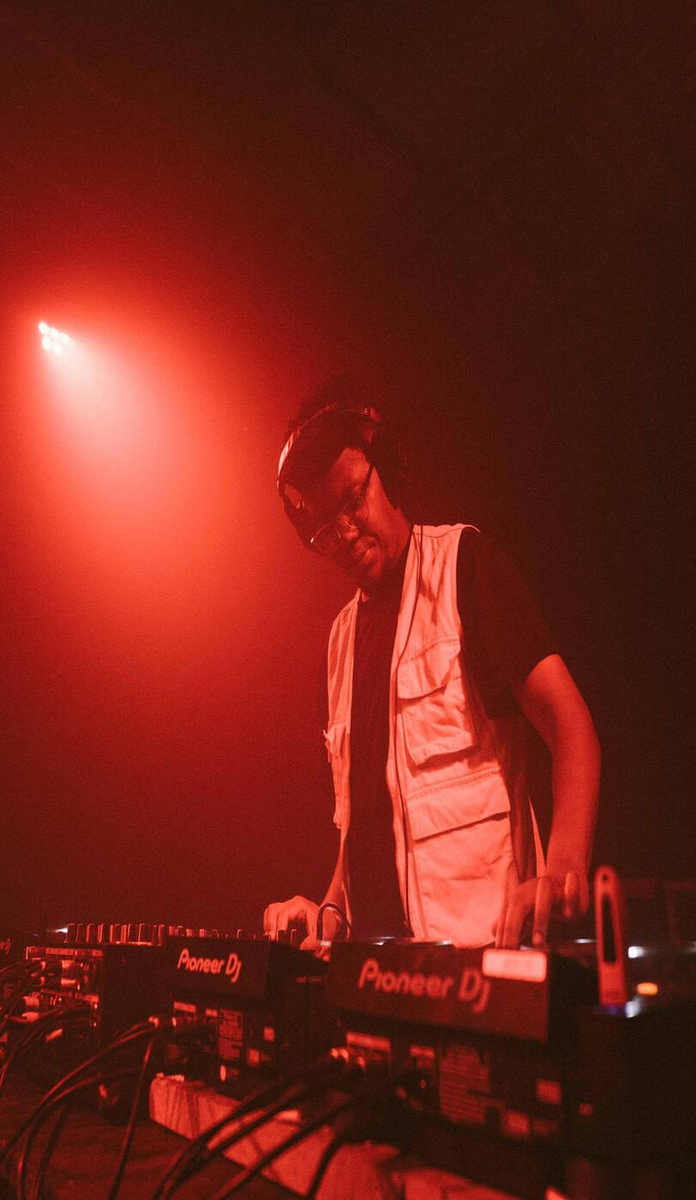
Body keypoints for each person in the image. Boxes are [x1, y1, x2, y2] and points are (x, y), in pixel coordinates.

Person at [263, 380, 600, 950]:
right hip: (374, 971)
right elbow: (364, 823)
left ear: (389, 472)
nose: (344, 535)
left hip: (484, 957)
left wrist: (563, 870)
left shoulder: (464, 568)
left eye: (351, 503)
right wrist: (329, 908)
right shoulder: (338, 644)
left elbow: (570, 724)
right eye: (325, 529)